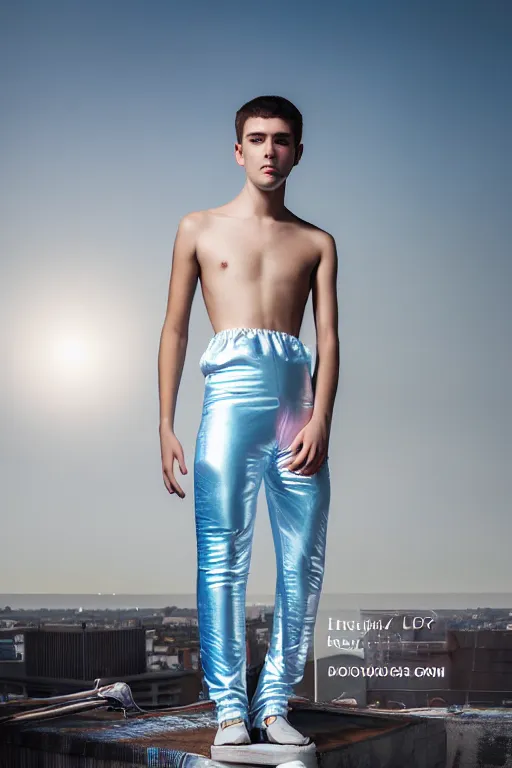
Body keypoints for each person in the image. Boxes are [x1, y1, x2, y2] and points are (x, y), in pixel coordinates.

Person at [158, 95, 339, 747]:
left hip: (298, 414)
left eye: (282, 139)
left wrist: (321, 416)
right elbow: (175, 327)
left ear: (297, 151)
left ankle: (275, 705)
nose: (269, 149)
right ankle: (230, 709)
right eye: (257, 139)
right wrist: (165, 423)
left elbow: (330, 336)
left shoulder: (317, 241)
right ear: (239, 150)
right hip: (228, 407)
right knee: (222, 560)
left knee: (301, 562)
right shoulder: (198, 228)